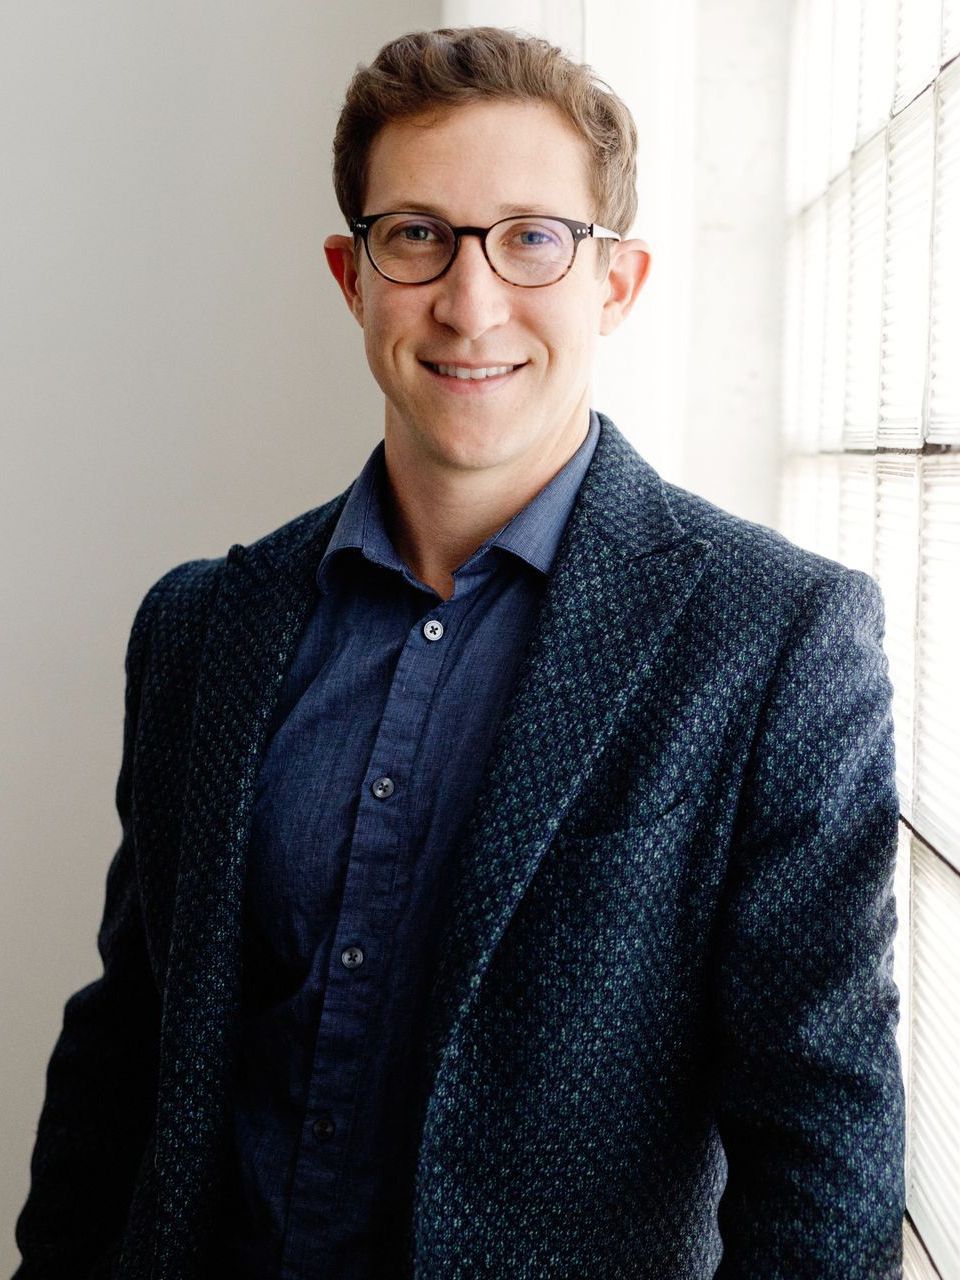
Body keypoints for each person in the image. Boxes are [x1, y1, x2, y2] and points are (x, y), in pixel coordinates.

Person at [14, 25, 905, 1280]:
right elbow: (126, 1049)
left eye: (534, 237)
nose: (470, 299)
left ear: (618, 282)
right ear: (353, 273)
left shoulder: (775, 640)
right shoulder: (202, 628)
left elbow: (821, 1145)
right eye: (417, 233)